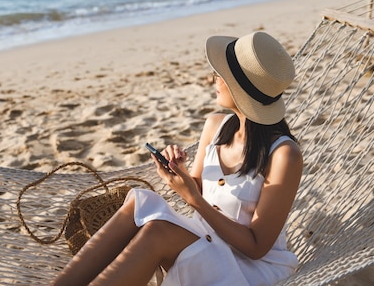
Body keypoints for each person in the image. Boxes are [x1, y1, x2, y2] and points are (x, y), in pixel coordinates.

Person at [51, 31, 303, 286]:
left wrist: (192, 198)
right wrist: (179, 172)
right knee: (140, 202)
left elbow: (256, 246)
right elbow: (201, 186)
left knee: (157, 232)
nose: (212, 79)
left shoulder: (284, 155)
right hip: (207, 240)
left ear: (238, 86)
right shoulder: (216, 126)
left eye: (220, 75)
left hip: (248, 268)